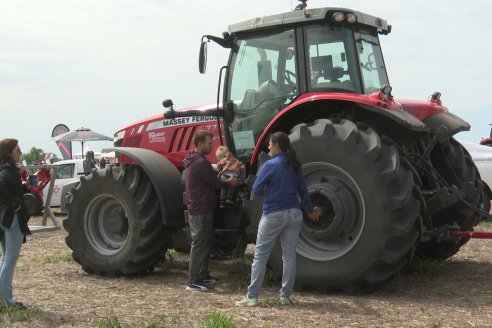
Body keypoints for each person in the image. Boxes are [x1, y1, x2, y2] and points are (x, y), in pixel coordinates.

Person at [235, 131, 318, 307]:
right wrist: (310, 210)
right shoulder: (295, 166)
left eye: (270, 144)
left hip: (273, 214)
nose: (268, 147)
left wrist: (271, 191)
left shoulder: (269, 165)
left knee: (260, 257)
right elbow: (304, 191)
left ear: (277, 146)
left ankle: (252, 297)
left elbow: (256, 190)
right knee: (289, 257)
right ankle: (285, 296)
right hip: (294, 215)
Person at [183, 131, 240, 292]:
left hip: (202, 207)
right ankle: (193, 280)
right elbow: (216, 183)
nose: (211, 145)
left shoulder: (196, 161)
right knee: (200, 243)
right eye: (209, 142)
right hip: (200, 208)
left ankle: (203, 275)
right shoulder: (200, 163)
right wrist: (231, 181)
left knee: (205, 242)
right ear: (200, 143)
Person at [0, 139, 31, 309]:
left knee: (6, 259)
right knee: (9, 259)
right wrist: (15, 203)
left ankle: (3, 298)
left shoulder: (6, 169)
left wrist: (22, 189)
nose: (20, 152)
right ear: (9, 152)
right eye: (17, 150)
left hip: (6, 217)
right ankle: (5, 301)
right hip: (11, 218)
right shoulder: (8, 170)